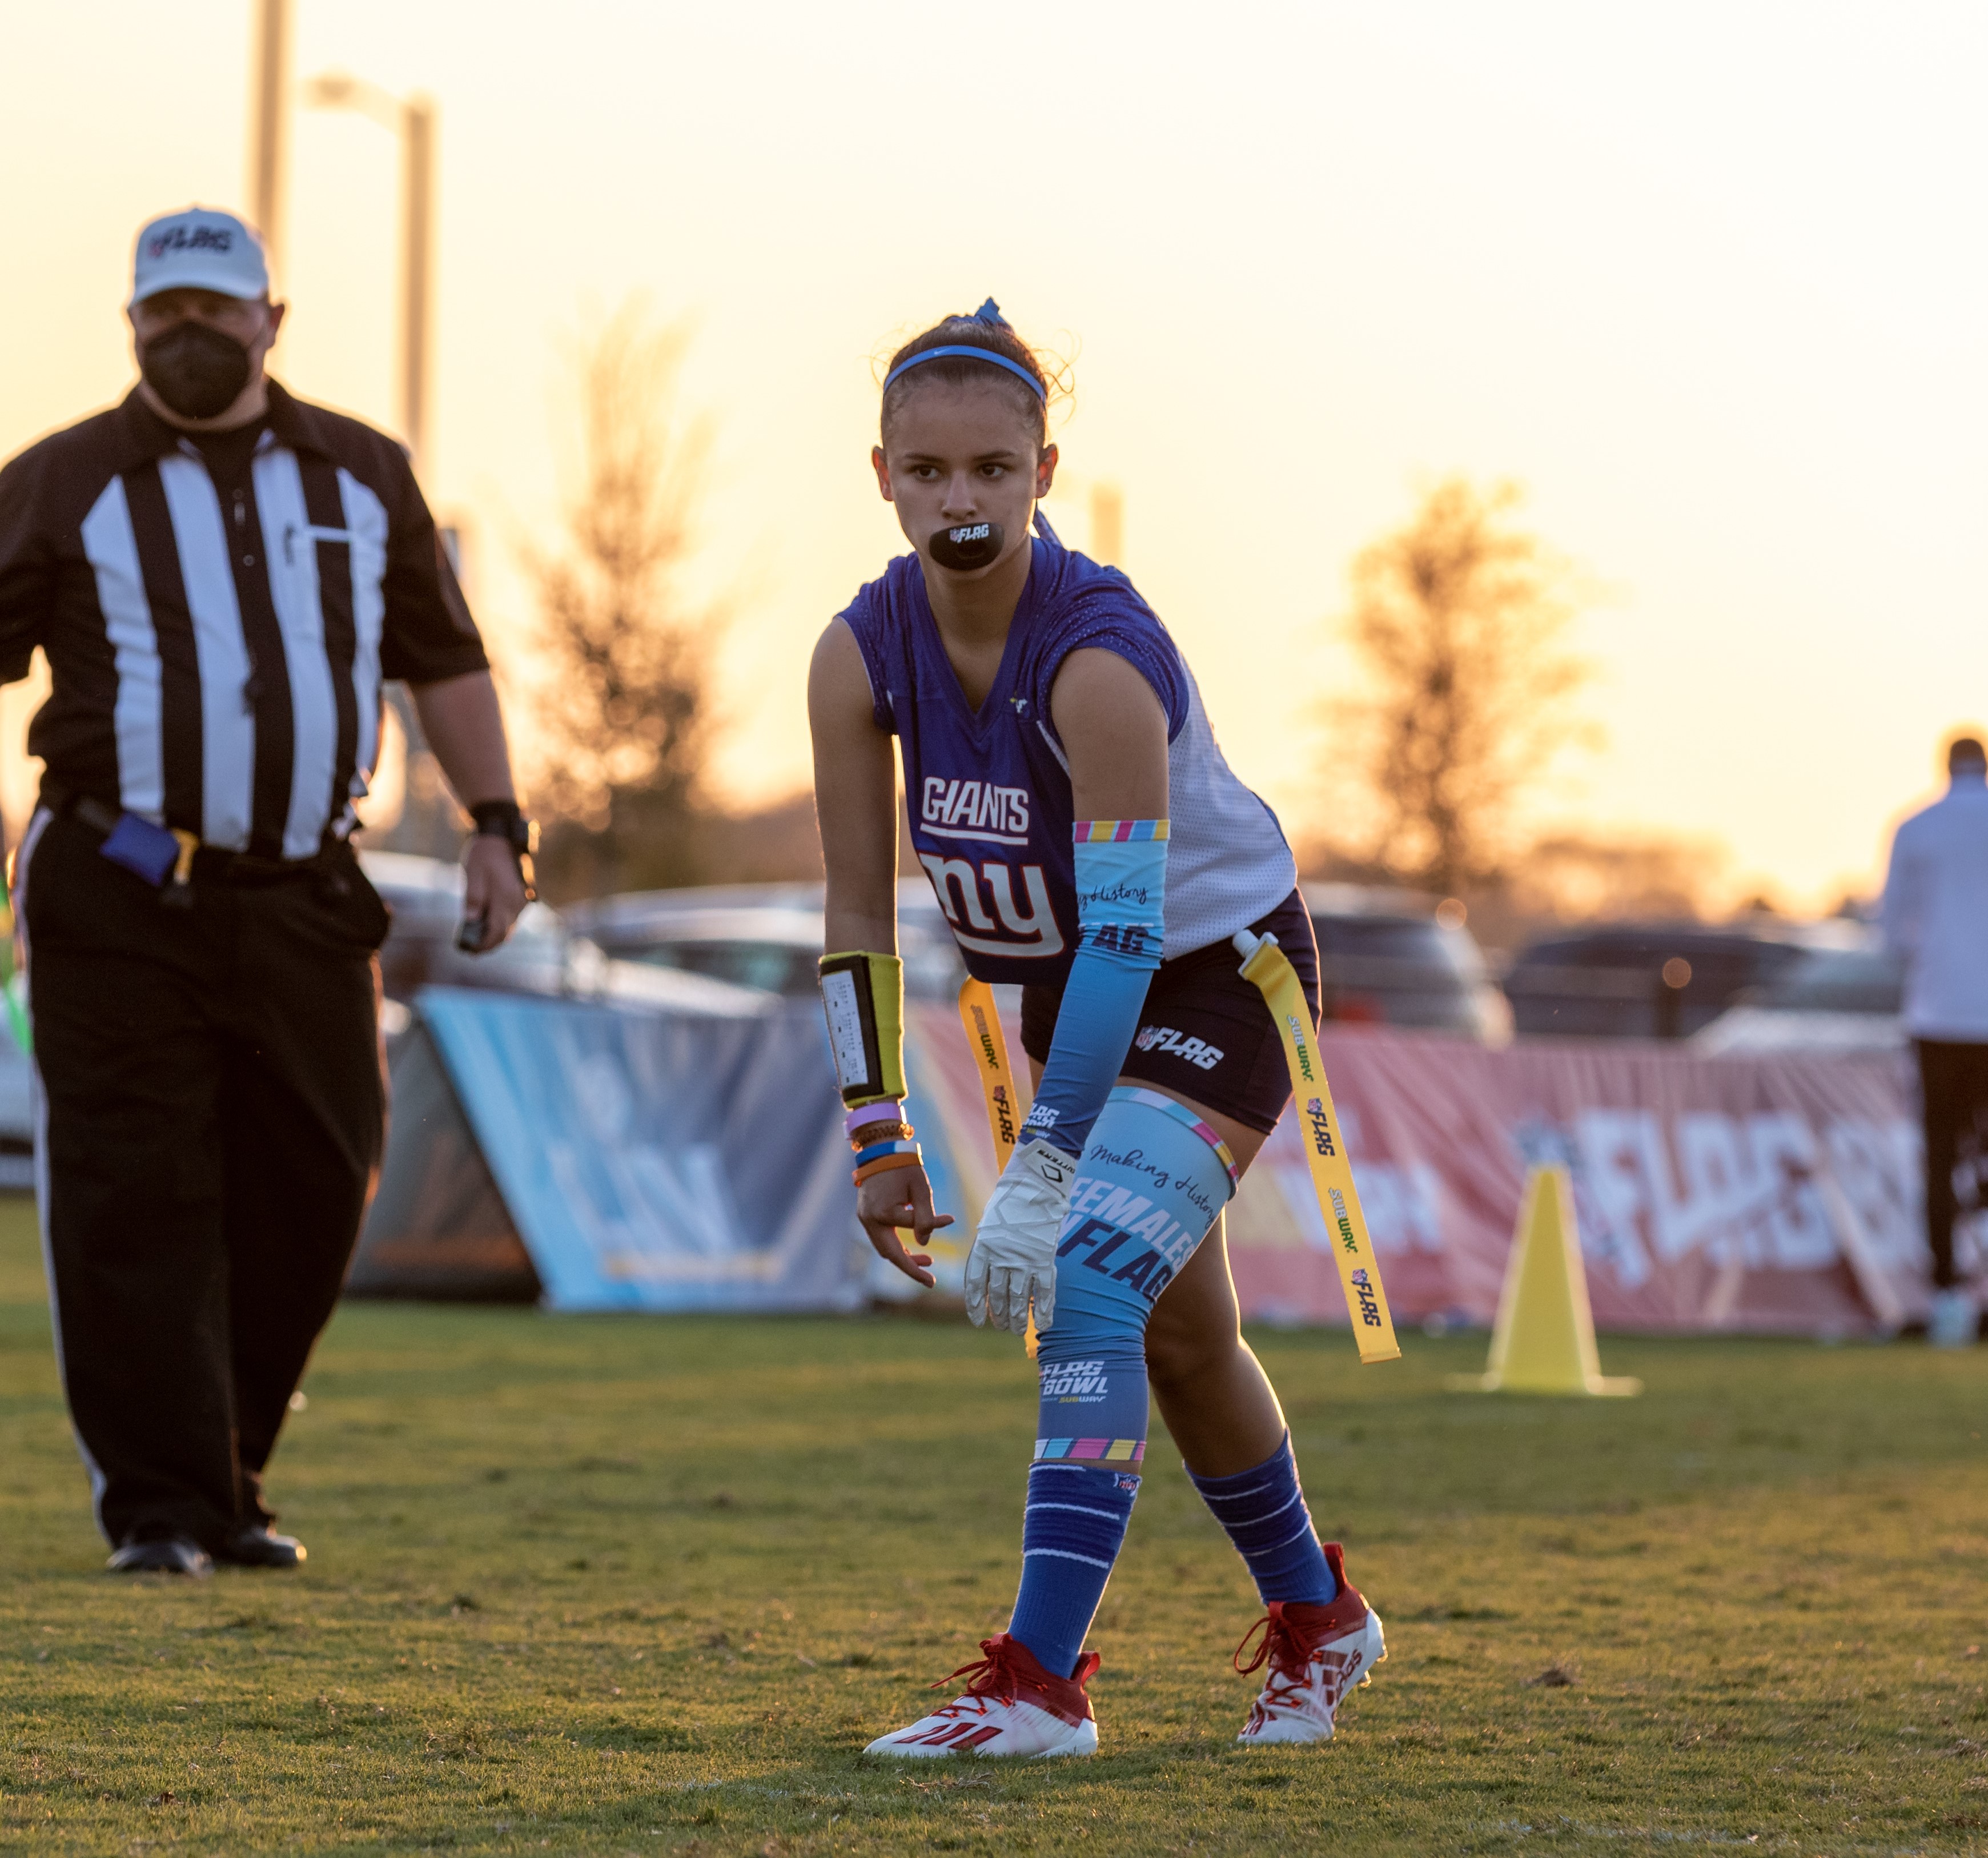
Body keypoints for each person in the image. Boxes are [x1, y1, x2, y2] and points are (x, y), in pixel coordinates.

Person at [809, 302, 1384, 1755]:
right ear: (879, 472)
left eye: (992, 470)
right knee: (1182, 1338)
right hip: (1075, 992)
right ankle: (1319, 1615)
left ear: (1043, 469)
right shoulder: (855, 653)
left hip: (1212, 978)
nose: (960, 500)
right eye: (929, 470)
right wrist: (874, 1128)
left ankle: (1040, 1683)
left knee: (1085, 1280)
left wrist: (1047, 1165)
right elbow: (853, 916)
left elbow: (1133, 934)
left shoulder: (1099, 662)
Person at [0, 207, 533, 1575]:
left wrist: (495, 824)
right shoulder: (62, 482)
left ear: (268, 321)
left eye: (213, 311)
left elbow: (446, 659)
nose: (188, 335)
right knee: (138, 1190)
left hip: (304, 890)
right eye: (161, 315)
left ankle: (223, 1467)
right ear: (131, 329)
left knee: (319, 1176)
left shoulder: (361, 475)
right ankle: (165, 1509)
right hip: (117, 885)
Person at [1882, 732, 1988, 1348]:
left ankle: (1948, 1294)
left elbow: (1892, 931)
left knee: (1941, 1155)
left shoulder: (1916, 827)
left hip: (1938, 1015)